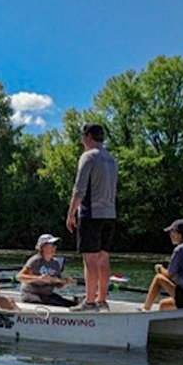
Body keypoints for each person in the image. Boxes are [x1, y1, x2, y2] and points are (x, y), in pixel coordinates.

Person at [66, 123, 118, 312]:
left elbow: (79, 189)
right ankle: (102, 300)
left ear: (88, 136)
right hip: (110, 214)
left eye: (82, 136)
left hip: (91, 214)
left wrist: (71, 213)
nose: (81, 140)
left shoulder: (88, 156)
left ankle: (89, 302)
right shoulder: (111, 159)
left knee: (90, 259)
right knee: (103, 258)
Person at [15, 234, 79, 307]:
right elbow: (19, 277)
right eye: (52, 244)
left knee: (71, 304)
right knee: (44, 303)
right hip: (31, 294)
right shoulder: (35, 260)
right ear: (43, 247)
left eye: (55, 245)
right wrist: (39, 278)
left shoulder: (56, 263)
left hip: (47, 295)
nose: (54, 247)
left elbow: (58, 285)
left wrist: (65, 282)